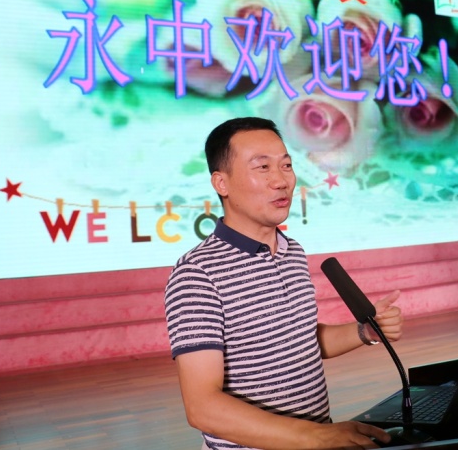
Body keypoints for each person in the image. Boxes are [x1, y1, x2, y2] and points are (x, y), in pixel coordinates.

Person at [165, 117, 403, 450]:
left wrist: (364, 331)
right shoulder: (197, 274)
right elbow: (203, 407)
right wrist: (318, 436)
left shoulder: (292, 251)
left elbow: (300, 340)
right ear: (221, 183)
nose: (281, 181)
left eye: (286, 165)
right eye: (262, 167)